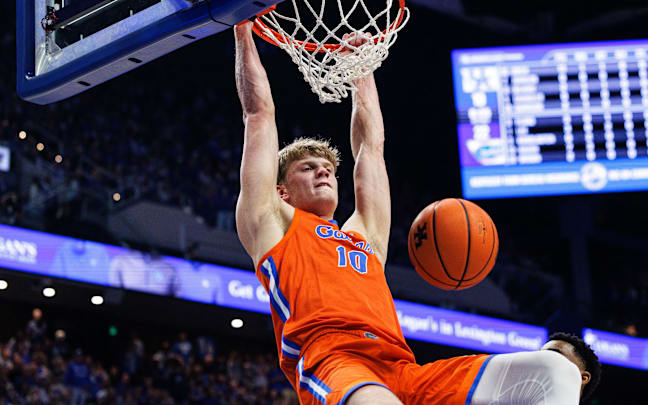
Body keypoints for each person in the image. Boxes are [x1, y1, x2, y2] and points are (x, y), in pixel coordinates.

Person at [233, 22, 591, 405]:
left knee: (555, 370)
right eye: (308, 167)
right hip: (335, 362)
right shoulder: (271, 224)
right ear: (280, 190)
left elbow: (370, 148)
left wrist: (362, 73)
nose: (323, 170)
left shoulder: (363, 235)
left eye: (327, 167)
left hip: (403, 370)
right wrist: (242, 30)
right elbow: (258, 114)